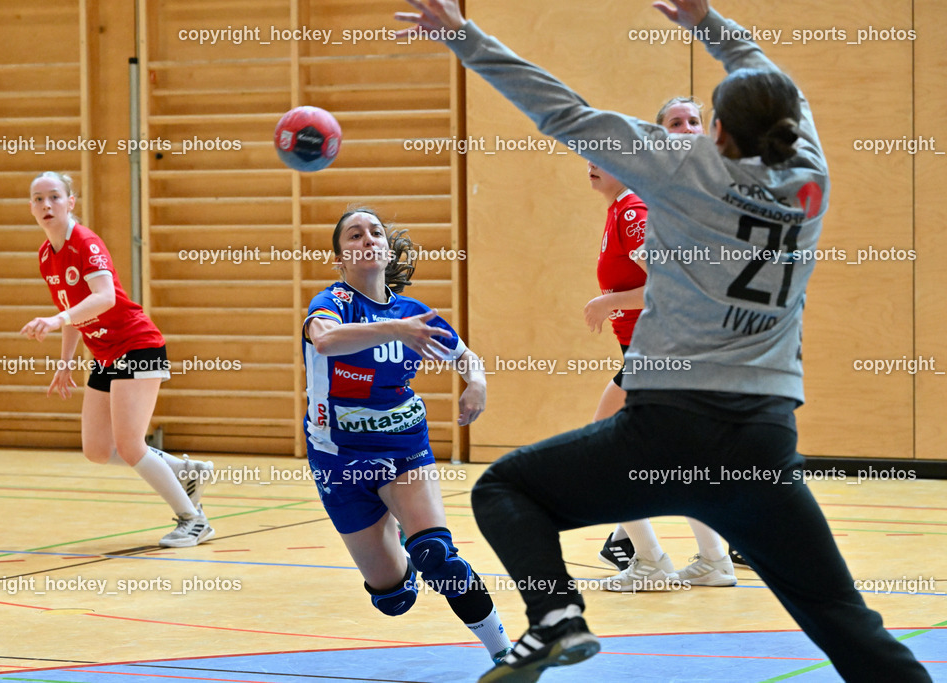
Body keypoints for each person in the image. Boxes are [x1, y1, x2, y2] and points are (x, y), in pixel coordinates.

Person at [393, 1, 932, 681]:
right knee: (846, 621)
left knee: (505, 489)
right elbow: (769, 78)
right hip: (762, 444)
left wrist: (463, 37)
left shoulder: (686, 168)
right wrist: (713, 24)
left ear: (719, 132)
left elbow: (560, 110)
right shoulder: (810, 177)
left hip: (667, 431)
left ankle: (556, 617)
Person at [302, 208, 512, 664]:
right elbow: (324, 340)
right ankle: (398, 548)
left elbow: (467, 358)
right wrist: (394, 329)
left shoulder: (413, 314)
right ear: (340, 257)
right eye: (354, 235)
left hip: (403, 448)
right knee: (392, 597)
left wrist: (476, 382)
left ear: (388, 249)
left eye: (375, 232)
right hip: (338, 459)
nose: (368, 239)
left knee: (437, 554)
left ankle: (507, 655)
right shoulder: (333, 301)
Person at [21, 172, 215, 548]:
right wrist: (65, 361)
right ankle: (186, 471)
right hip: (106, 354)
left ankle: (193, 520)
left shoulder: (85, 242)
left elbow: (105, 296)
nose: (47, 205)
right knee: (97, 449)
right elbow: (74, 310)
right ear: (31, 207)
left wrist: (58, 318)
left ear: (70, 202)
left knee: (129, 445)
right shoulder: (47, 255)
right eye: (38, 199)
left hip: (136, 345)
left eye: (54, 197)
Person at [587, 100, 736, 590]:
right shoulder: (620, 212)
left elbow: (669, 281)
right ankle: (714, 561)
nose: (592, 162)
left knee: (601, 448)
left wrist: (609, 303)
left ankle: (650, 561)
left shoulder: (633, 210)